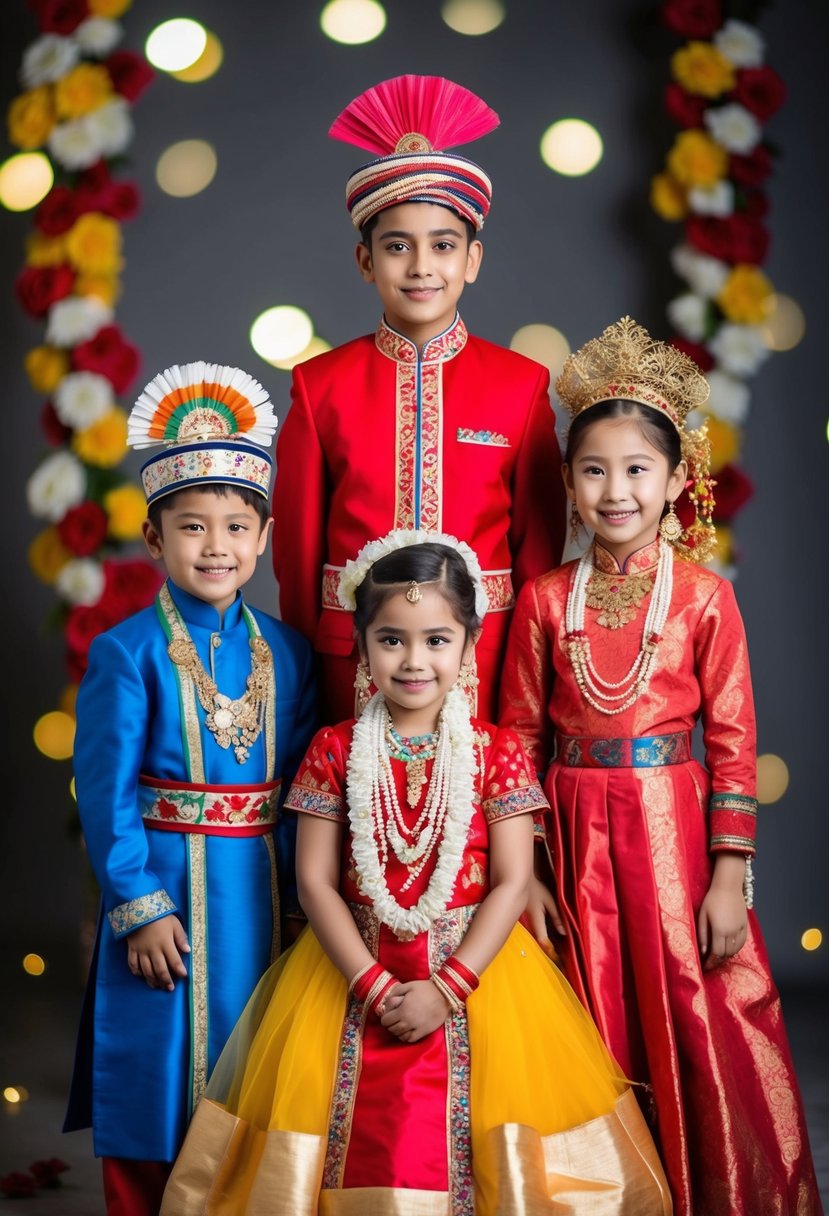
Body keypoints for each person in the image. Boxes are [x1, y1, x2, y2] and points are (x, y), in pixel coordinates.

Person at [160, 531, 671, 1216]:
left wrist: (449, 989)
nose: (413, 659)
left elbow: (512, 882)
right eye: (391, 639)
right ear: (364, 646)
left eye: (436, 639)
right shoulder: (334, 748)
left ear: (467, 645)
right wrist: (371, 984)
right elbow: (314, 881)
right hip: (348, 971)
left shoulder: (494, 752)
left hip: (477, 976)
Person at [500, 317, 823, 1215]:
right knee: (585, 1015)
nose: (615, 490)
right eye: (593, 470)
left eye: (637, 469)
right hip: (569, 835)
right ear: (565, 482)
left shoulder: (704, 598)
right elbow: (517, 740)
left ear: (677, 480)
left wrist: (729, 875)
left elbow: (731, 739)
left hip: (672, 835)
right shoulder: (542, 601)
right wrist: (520, 874)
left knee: (688, 1010)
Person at [64, 363, 317, 1216]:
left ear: (264, 535)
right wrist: (136, 904)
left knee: (257, 1071)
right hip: (165, 890)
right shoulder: (125, 652)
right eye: (192, 528)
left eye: (237, 527)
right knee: (158, 1070)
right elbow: (102, 792)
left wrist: (301, 907)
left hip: (261, 891)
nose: (216, 546)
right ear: (152, 538)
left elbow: (296, 793)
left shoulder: (287, 653)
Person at [272, 73, 565, 725]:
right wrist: (307, 662)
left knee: (473, 822)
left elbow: (537, 553)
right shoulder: (318, 385)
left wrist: (524, 665)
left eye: (442, 246)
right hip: (352, 656)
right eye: (396, 247)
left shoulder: (521, 385)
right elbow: (295, 558)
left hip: (483, 658)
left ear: (473, 260)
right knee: (355, 817)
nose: (420, 267)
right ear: (364, 261)